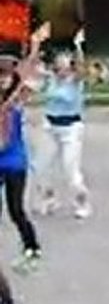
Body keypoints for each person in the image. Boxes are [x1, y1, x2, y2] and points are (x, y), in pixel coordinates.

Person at [3, 24, 48, 275]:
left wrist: (35, 46)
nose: (3, 78)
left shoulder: (17, 98)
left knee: (16, 210)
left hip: (14, 162)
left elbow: (28, 75)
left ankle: (32, 248)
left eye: (7, 74)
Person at [35, 28, 92, 219]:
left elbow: (82, 68)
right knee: (41, 167)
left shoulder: (76, 81)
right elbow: (32, 68)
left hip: (71, 129)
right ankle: (49, 199)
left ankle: (82, 202)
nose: (61, 67)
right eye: (58, 64)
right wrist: (36, 44)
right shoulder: (50, 80)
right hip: (50, 126)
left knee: (71, 170)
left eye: (64, 64)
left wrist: (78, 46)